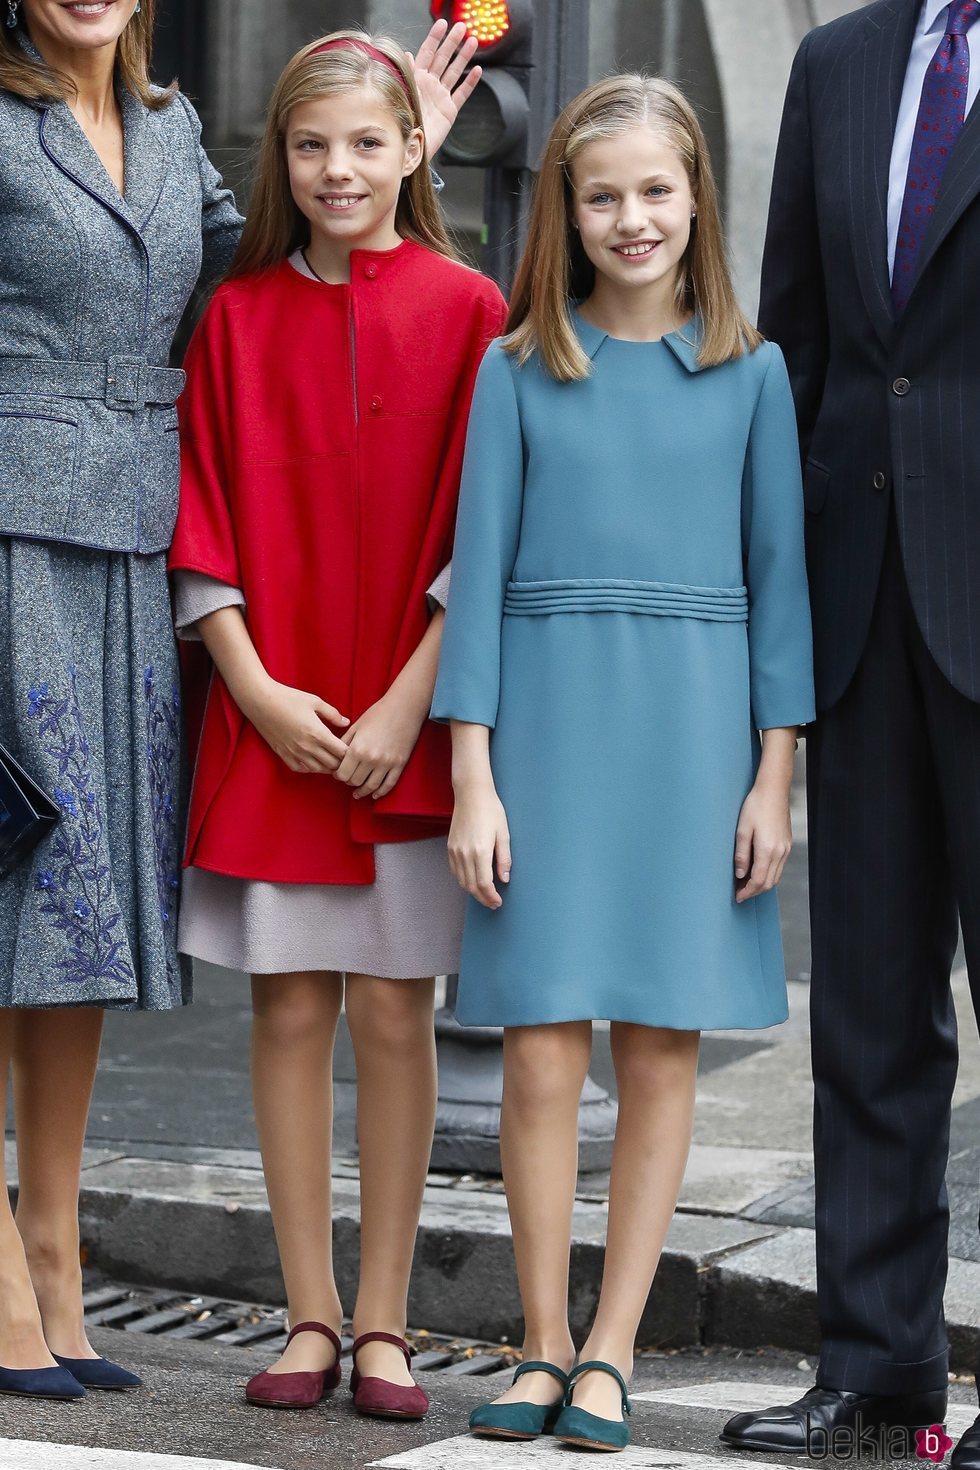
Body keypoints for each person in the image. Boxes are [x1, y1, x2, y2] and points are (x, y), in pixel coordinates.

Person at [0, 0, 483, 1402]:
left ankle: (53, 1251)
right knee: (10, 876)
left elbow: (253, 253)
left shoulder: (165, 133)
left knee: (74, 897)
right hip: (18, 531)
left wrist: (402, 151)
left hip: (131, 549)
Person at [431, 74, 815, 1455]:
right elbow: (473, 588)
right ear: (568, 212)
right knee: (538, 1054)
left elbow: (783, 586)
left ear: (697, 197)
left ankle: (611, 1348)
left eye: (656, 190)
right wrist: (472, 775)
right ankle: (537, 1341)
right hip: (544, 730)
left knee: (661, 1047)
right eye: (604, 195)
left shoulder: (753, 370)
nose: (632, 217)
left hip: (698, 735)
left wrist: (776, 777)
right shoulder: (520, 369)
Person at [168, 31, 506, 1424]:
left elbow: (486, 523)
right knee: (290, 1005)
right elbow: (201, 507)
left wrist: (414, 695)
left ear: (416, 150)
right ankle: (306, 1312)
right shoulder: (236, 319)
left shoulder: (475, 308)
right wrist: (247, 685)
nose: (339, 170)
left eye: (368, 143)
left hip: (407, 725)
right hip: (277, 721)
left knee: (393, 1014)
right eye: (312, 146)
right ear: (280, 163)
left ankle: (385, 1323)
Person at [720, 4, 980, 1462]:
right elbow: (801, 352)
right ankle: (880, 1365)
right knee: (870, 1016)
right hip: (862, 608)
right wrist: (775, 610)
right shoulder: (839, 60)